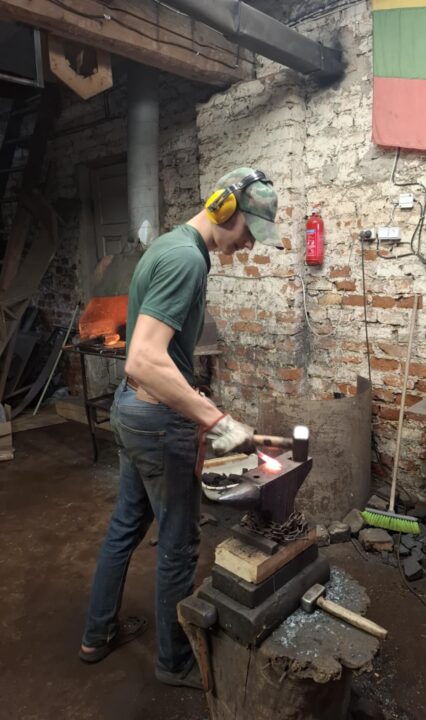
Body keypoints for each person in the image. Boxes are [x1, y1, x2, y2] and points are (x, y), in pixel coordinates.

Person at [79, 168, 281, 688]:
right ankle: (175, 662)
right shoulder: (187, 260)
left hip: (134, 409)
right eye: (248, 232)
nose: (248, 245)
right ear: (223, 208)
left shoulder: (170, 245)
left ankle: (97, 634)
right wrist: (218, 421)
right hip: (156, 423)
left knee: (126, 525)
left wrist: (194, 396)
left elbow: (157, 354)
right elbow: (143, 359)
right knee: (179, 544)